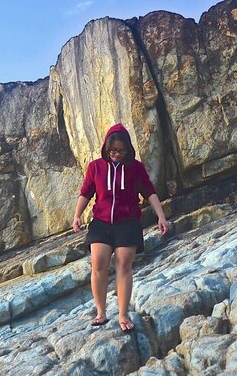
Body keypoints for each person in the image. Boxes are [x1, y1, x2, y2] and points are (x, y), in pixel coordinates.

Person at [72, 123, 169, 333]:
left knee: (124, 263)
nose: (116, 155)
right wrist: (77, 215)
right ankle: (101, 312)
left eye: (121, 151)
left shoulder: (135, 168)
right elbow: (86, 192)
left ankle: (123, 314)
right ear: (106, 148)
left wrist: (161, 216)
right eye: (112, 151)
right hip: (102, 222)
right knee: (98, 263)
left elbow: (149, 192)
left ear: (128, 150)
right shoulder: (95, 167)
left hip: (128, 222)